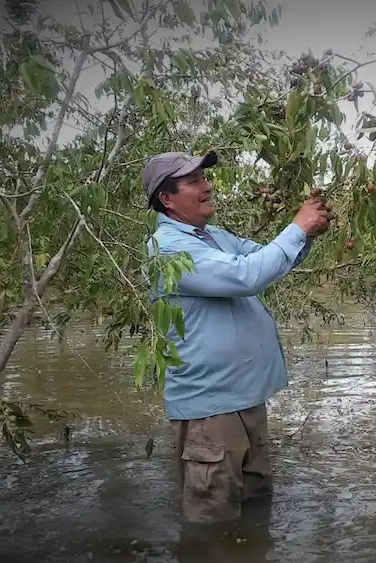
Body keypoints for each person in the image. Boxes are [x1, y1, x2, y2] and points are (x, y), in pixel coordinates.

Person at [141, 150, 331, 527]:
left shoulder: (214, 237)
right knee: (213, 523)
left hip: (245, 398)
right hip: (210, 408)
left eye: (204, 178)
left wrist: (306, 234)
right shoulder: (169, 248)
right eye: (194, 181)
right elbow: (247, 276)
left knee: (256, 508)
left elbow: (267, 261)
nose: (207, 186)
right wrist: (297, 227)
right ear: (167, 199)